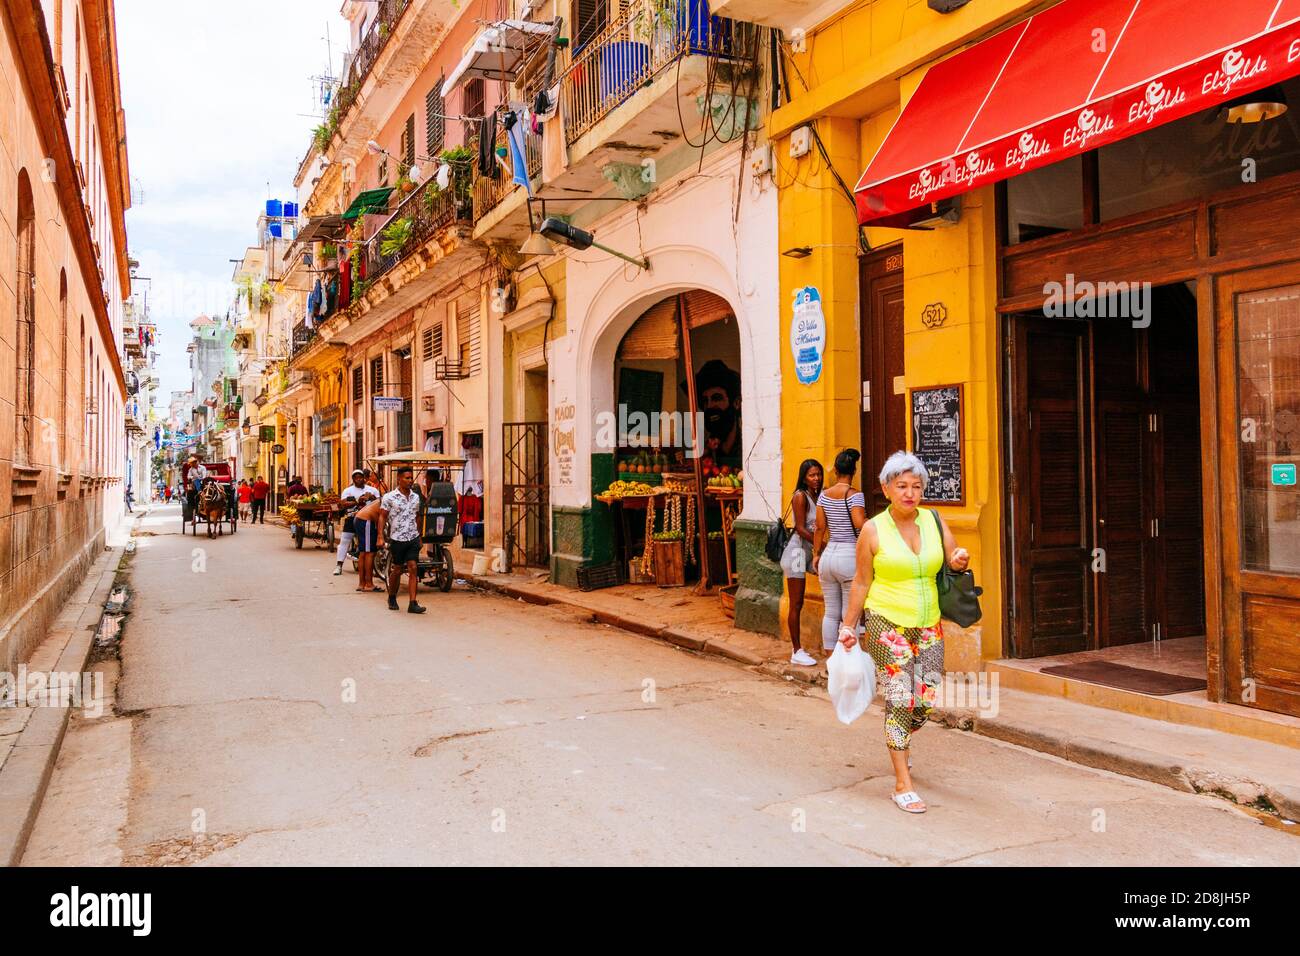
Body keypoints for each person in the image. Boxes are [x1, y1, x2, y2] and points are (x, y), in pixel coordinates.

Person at [838, 451, 970, 815]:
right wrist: (849, 626)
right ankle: (902, 783)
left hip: (928, 623)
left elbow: (954, 555)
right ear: (886, 488)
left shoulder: (932, 519)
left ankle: (900, 743)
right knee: (900, 698)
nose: (910, 493)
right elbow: (862, 582)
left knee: (923, 699)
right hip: (885, 622)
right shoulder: (872, 529)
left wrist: (960, 559)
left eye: (916, 486)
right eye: (902, 486)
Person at [812, 449, 867, 661]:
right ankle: (847, 659)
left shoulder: (824, 495)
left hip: (829, 555)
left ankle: (830, 660)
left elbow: (819, 527)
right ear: (854, 470)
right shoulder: (855, 496)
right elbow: (859, 524)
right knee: (848, 612)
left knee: (831, 612)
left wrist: (816, 554)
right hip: (848, 556)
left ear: (835, 470)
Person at [780, 459, 823, 667]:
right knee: (796, 602)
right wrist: (821, 545)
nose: (816, 478)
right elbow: (800, 528)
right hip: (797, 552)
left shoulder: (817, 496)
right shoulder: (800, 496)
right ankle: (796, 650)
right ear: (804, 477)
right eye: (812, 475)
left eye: (818, 474)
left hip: (808, 552)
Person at [380, 466, 426, 613]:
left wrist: (419, 535)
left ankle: (413, 603)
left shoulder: (415, 497)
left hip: (412, 537)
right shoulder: (389, 497)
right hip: (397, 538)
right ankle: (392, 596)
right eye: (407, 478)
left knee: (413, 567)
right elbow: (382, 516)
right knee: (398, 569)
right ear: (399, 479)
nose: (410, 480)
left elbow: (418, 517)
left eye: (411, 478)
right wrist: (380, 536)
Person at [694, 359, 742, 467]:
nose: (710, 406)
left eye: (717, 398)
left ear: (736, 403)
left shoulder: (748, 444)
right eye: (706, 401)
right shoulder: (706, 449)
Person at [334, 469, 382, 575]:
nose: (359, 479)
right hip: (352, 517)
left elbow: (380, 502)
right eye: (356, 477)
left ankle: (374, 566)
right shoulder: (348, 490)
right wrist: (357, 501)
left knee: (371, 543)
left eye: (360, 477)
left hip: (369, 519)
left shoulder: (372, 490)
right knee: (345, 540)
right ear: (353, 479)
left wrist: (372, 497)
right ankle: (339, 565)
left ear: (364, 478)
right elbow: (342, 504)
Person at [351, 493, 384, 592]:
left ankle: (362, 584)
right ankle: (368, 584)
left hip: (361, 519)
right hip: (366, 521)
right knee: (369, 553)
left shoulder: (384, 499)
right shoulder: (390, 500)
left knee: (363, 553)